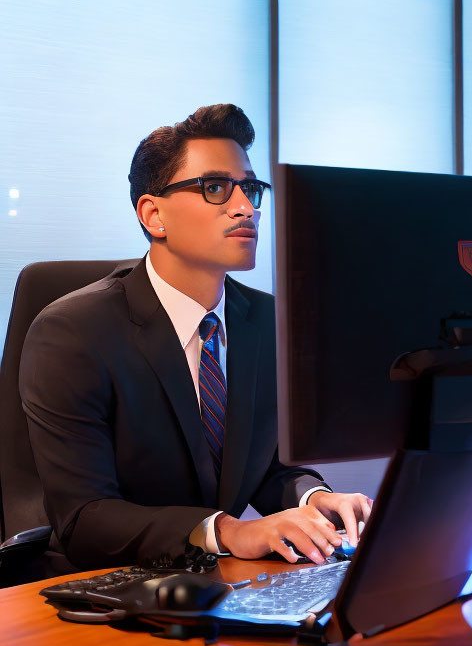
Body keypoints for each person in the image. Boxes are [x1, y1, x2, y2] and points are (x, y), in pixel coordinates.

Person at [20, 104, 371, 571]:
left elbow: (265, 465)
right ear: (154, 215)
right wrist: (229, 529)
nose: (245, 206)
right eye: (215, 187)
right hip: (102, 588)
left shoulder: (264, 320)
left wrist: (313, 498)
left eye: (249, 188)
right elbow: (85, 518)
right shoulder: (71, 333)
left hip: (215, 583)